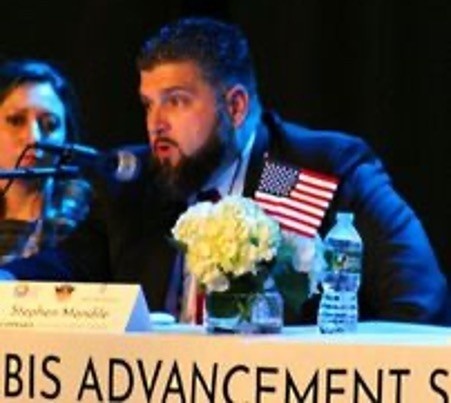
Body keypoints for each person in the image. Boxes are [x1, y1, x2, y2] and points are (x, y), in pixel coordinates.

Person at [0, 18, 447, 325]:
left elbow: (419, 302)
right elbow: (68, 265)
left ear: (235, 107)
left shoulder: (313, 171)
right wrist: (9, 282)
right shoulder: (136, 181)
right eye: (148, 104)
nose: (156, 124)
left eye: (176, 101)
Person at [0, 58, 91, 264]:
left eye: (50, 124)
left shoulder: (87, 217)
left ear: (66, 136)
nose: (34, 138)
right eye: (16, 120)